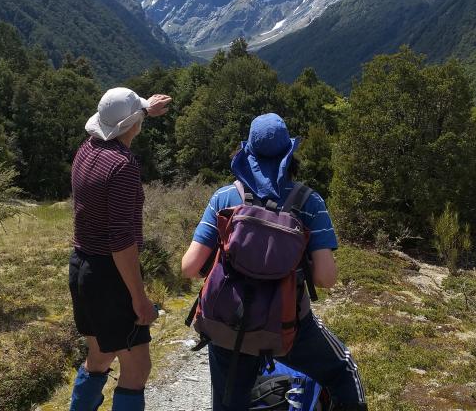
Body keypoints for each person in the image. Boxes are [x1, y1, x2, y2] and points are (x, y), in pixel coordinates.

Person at [181, 113, 367, 411]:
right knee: (343, 369)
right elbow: (326, 278)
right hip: (288, 326)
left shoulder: (225, 197)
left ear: (246, 154)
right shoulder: (309, 201)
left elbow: (189, 267)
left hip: (228, 325)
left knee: (230, 403)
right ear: (289, 155)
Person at [68, 87, 171, 411]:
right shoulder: (123, 167)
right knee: (138, 368)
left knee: (98, 357)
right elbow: (121, 241)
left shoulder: (87, 150)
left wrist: (144, 109)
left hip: (81, 266)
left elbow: (121, 118)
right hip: (109, 278)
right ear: (132, 125)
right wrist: (139, 300)